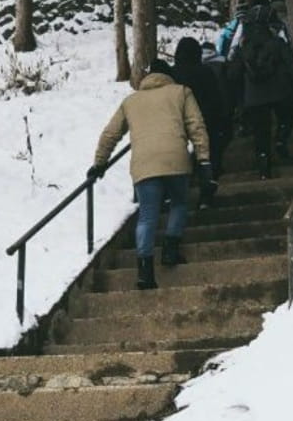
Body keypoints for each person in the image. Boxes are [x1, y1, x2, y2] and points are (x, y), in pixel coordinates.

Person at [87, 60, 210, 291]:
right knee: (179, 203)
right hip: (175, 159)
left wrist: (99, 163)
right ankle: (171, 250)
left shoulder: (131, 101)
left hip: (144, 164)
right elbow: (197, 126)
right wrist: (204, 158)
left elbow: (110, 133)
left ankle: (145, 271)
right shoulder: (181, 92)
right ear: (168, 75)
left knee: (147, 215)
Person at [228, 3, 293, 179]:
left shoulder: (243, 45)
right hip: (280, 91)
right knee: (286, 117)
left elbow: (233, 73)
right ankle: (281, 138)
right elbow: (291, 64)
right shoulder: (277, 42)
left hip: (254, 96)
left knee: (261, 131)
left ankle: (263, 166)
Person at [171, 36, 224, 204]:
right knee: (206, 155)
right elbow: (215, 97)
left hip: (178, 120)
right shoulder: (205, 71)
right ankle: (206, 191)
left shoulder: (172, 74)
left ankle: (175, 192)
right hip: (205, 118)